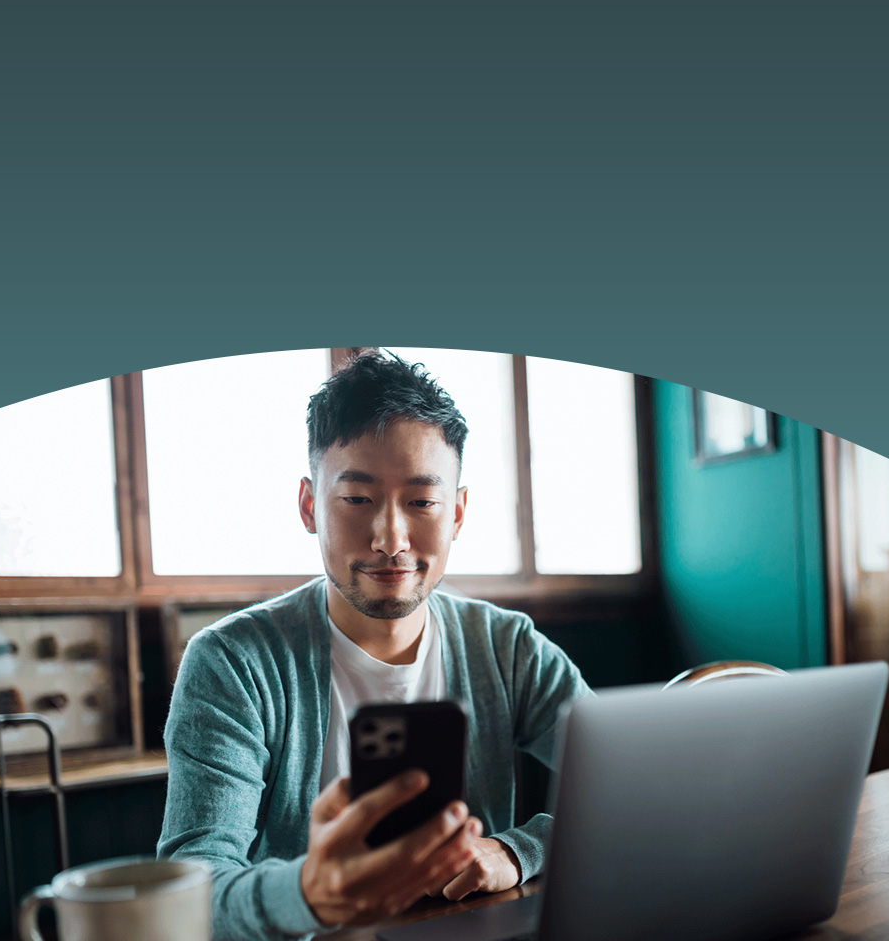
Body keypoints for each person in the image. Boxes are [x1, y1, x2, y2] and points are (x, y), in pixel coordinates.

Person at [158, 352, 590, 941]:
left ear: (457, 513)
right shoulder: (232, 664)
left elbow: (630, 795)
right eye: (358, 499)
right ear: (309, 506)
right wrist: (309, 893)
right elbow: (192, 888)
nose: (390, 539)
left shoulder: (506, 647)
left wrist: (517, 851)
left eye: (422, 502)